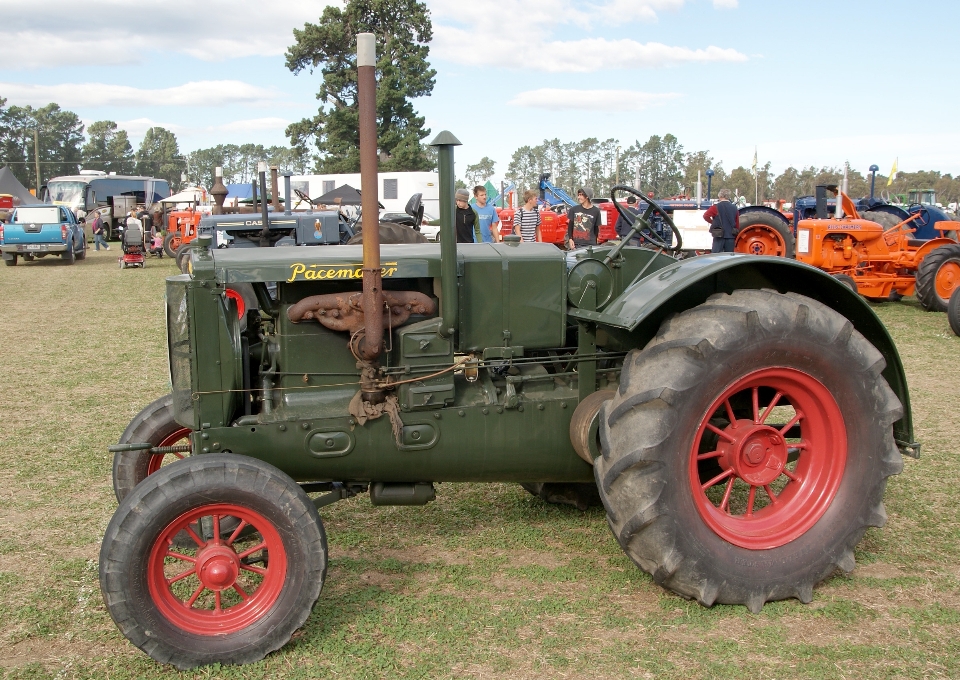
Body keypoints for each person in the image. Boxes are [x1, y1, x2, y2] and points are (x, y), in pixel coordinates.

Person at [703, 189, 739, 253]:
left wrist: (713, 222)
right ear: (728, 196)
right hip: (730, 236)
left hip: (718, 236)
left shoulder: (715, 207)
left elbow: (706, 216)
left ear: (719, 196)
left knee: (716, 257)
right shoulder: (734, 208)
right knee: (728, 257)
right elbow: (737, 224)